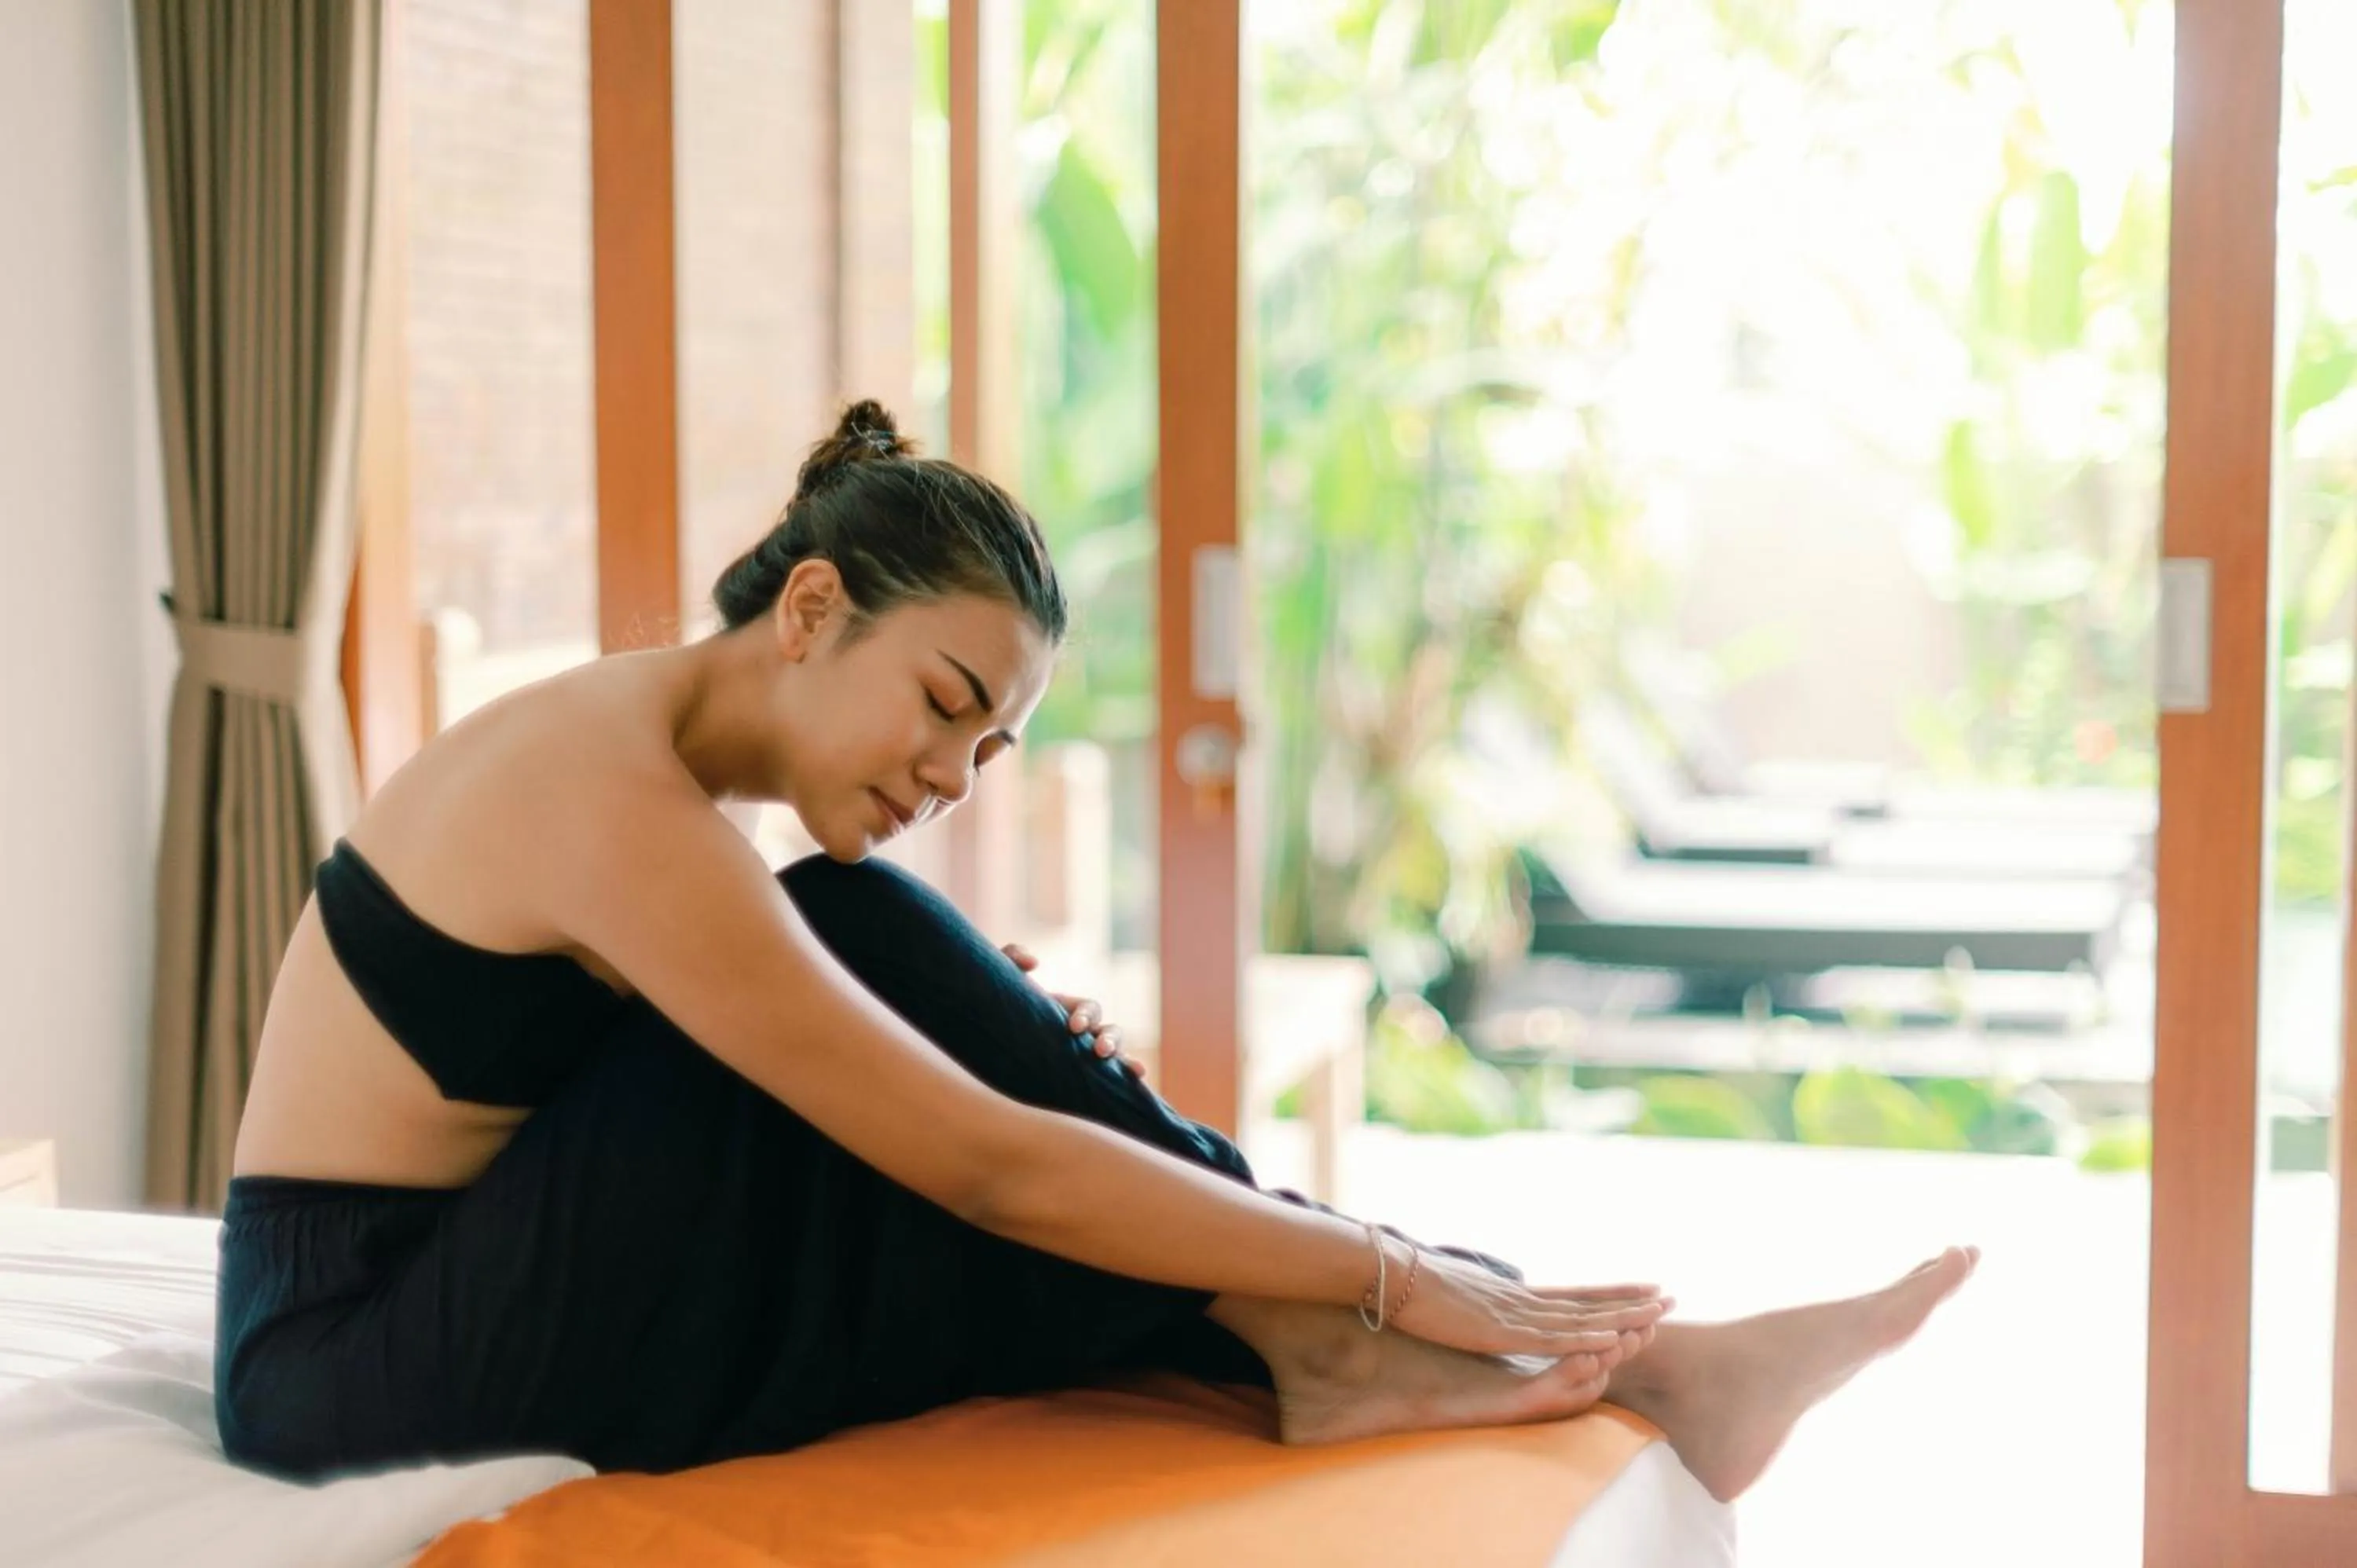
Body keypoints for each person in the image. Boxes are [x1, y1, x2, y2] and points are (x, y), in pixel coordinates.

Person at [216, 400, 1975, 1503]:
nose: (949, 775)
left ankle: (1362, 1349)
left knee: (890, 966)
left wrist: (963, 1029)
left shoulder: (672, 790)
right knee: (883, 954)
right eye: (944, 704)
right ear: (813, 610)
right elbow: (987, 1162)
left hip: (460, 1264)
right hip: (346, 1353)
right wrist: (1386, 1262)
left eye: (989, 750)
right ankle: (1384, 1338)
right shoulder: (600, 787)